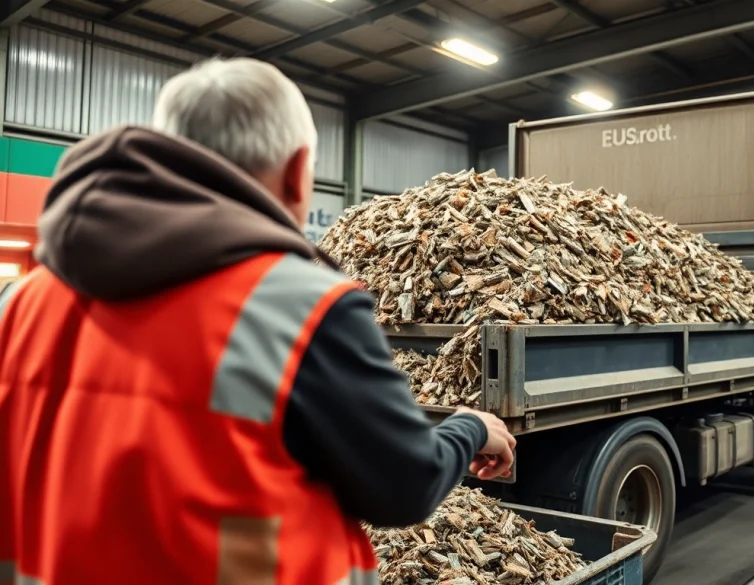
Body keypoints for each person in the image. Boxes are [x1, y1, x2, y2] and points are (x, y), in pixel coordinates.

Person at [0, 57, 515, 585]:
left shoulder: (24, 301)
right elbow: (404, 484)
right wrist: (471, 427)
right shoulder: (299, 305)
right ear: (296, 173)